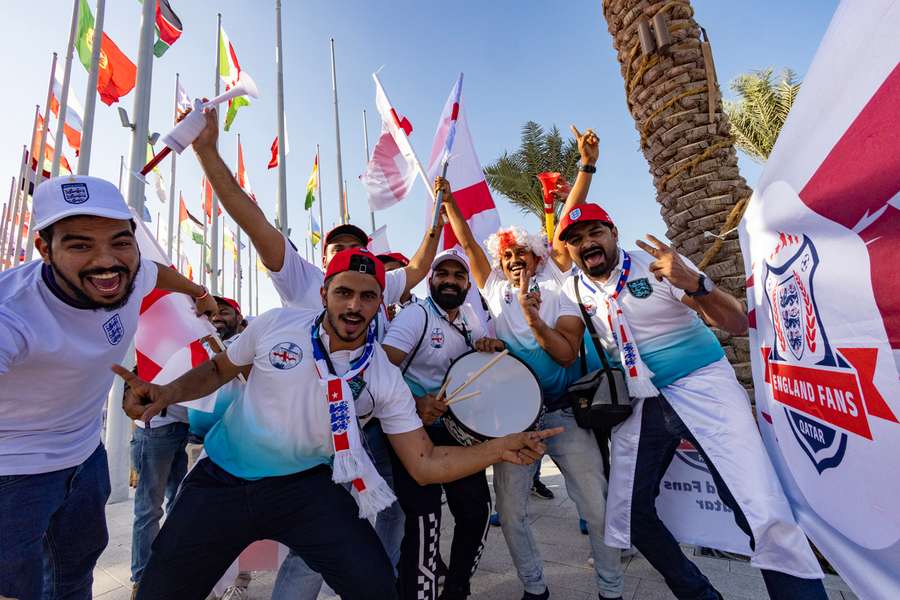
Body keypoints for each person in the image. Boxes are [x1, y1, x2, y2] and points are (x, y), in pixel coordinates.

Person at [116, 248, 561, 600]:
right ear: (326, 290)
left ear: (380, 303)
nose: (355, 306)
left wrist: (499, 448)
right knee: (162, 590)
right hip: (222, 481)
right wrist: (166, 393)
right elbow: (218, 370)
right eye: (344, 292)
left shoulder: (384, 376)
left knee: (375, 588)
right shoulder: (278, 325)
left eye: (368, 296)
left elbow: (424, 463)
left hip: (308, 489)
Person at [553, 126, 827, 600]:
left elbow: (738, 323)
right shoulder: (574, 287)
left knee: (756, 506)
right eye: (577, 238)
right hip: (641, 405)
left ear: (613, 233)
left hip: (702, 385)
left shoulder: (659, 265)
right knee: (629, 516)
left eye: (595, 230)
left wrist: (696, 285)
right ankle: (700, 595)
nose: (587, 242)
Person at [191, 106, 443, 596]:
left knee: (385, 518)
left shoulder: (376, 283)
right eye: (336, 247)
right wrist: (208, 153)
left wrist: (439, 214)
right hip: (312, 438)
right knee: (311, 546)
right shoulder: (299, 275)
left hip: (370, 426)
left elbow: (417, 267)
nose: (355, 299)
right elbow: (253, 219)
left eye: (356, 247)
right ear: (325, 268)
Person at [0, 176, 217, 600]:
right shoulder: (13, 315)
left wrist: (201, 293)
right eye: (80, 245)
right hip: (13, 474)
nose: (106, 262)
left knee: (75, 574)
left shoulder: (133, 274)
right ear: (45, 250)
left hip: (85, 457)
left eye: (120, 242)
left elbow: (160, 275)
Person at [439, 174, 624, 600]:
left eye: (521, 253)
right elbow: (468, 244)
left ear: (539, 257)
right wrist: (448, 202)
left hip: (562, 414)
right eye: (506, 256)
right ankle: (534, 588)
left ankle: (611, 591)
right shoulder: (495, 289)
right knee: (511, 511)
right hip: (513, 423)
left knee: (596, 508)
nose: (513, 260)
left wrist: (533, 317)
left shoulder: (560, 290)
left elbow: (564, 353)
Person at [382, 248, 505, 600]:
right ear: (431, 279)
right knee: (424, 523)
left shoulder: (470, 316)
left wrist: (487, 345)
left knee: (476, 512)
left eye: (458, 276)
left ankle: (456, 588)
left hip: (456, 425)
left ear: (467, 283)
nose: (450, 281)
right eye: (442, 274)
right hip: (412, 425)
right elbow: (382, 370)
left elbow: (479, 359)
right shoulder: (415, 316)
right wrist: (416, 402)